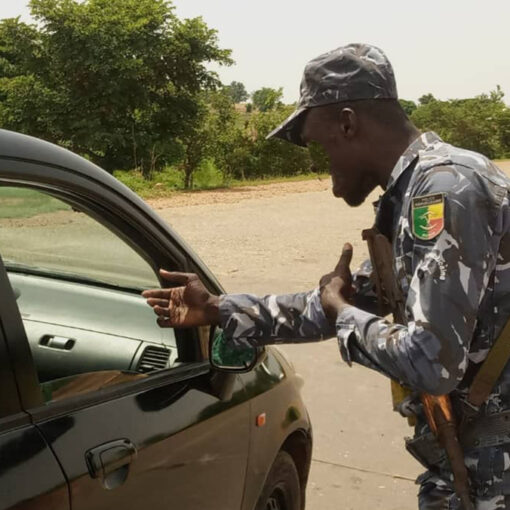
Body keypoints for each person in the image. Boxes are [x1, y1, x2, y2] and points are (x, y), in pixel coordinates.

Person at [142, 43, 510, 509]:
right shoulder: (413, 193)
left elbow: (431, 362)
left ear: (348, 123)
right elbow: (342, 303)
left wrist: (342, 316)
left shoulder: (443, 190)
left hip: (494, 472)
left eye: (319, 145)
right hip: (471, 460)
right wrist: (218, 308)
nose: (322, 166)